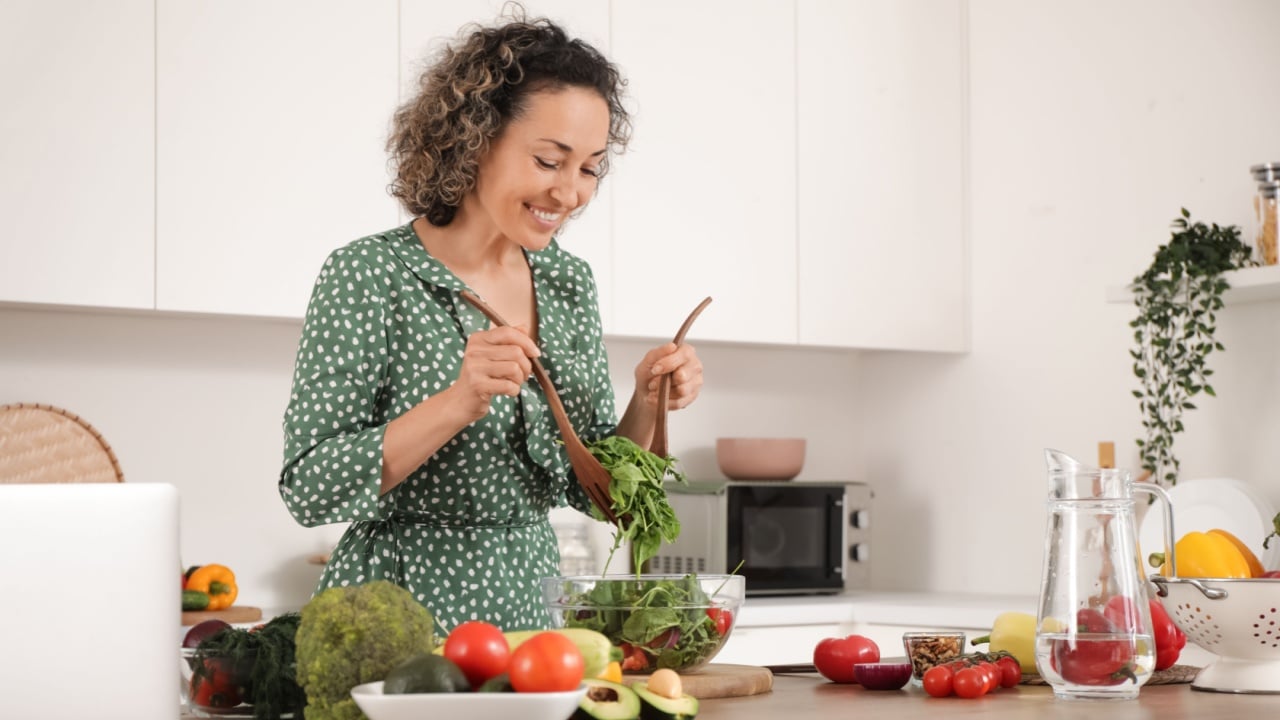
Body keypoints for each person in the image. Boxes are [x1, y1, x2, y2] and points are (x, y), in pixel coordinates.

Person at [278, 8, 704, 632]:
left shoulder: (567, 283)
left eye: (589, 168)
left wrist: (647, 401)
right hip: (393, 620)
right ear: (474, 139)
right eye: (549, 160)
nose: (570, 194)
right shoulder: (370, 274)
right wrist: (458, 400)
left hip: (533, 620)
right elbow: (310, 486)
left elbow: (596, 494)